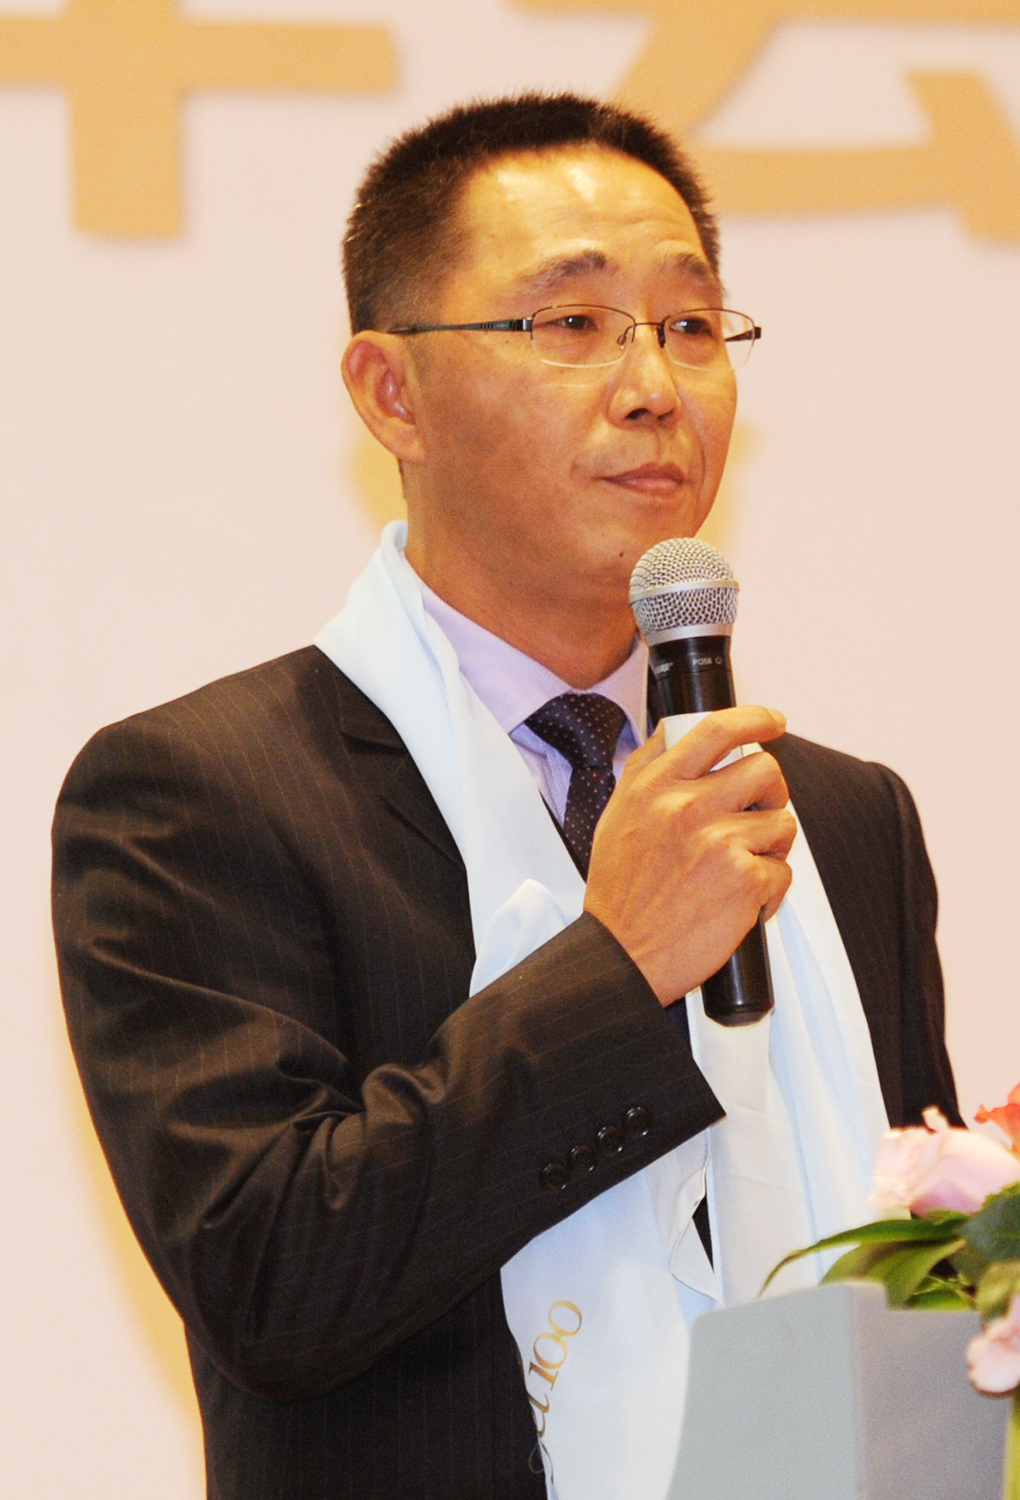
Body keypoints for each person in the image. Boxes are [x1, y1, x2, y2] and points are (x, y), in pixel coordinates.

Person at [52, 94, 958, 1500]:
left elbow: (932, 1265)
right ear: (390, 394)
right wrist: (617, 967)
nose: (654, 385)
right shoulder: (198, 797)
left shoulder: (837, 819)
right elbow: (271, 1281)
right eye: (572, 323)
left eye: (691, 326)